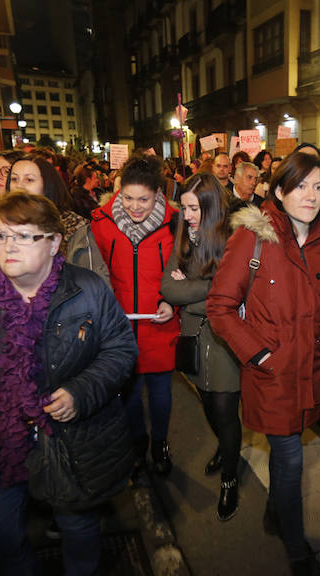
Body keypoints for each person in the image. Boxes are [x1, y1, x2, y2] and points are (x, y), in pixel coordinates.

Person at [0, 192, 137, 576]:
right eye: (1, 236)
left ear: (55, 242)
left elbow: (121, 350)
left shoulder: (87, 290)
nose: (8, 247)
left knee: (78, 526)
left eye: (24, 236)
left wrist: (80, 392)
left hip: (71, 439)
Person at [207, 151, 320, 576]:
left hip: (311, 374)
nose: (310, 196)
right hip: (272, 376)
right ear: (278, 191)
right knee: (291, 458)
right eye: (300, 186)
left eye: (318, 187)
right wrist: (258, 356)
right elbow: (220, 307)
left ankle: (276, 511)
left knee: (288, 455)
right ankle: (296, 549)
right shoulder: (253, 239)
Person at [84, 154, 180, 475]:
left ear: (158, 194)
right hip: (119, 329)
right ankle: (137, 445)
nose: (135, 207)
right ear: (117, 191)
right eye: (127, 198)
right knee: (127, 395)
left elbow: (187, 270)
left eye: (144, 199)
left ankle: (161, 444)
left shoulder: (175, 223)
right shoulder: (100, 223)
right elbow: (92, 273)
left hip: (160, 324)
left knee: (161, 395)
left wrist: (173, 301)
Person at [160, 173, 242, 520]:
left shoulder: (234, 241)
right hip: (193, 340)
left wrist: (193, 288)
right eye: (185, 207)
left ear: (211, 207)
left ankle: (229, 478)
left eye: (195, 208)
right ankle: (225, 450)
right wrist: (203, 287)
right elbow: (168, 289)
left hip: (224, 342)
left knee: (225, 412)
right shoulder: (183, 240)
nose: (188, 215)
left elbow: (227, 292)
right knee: (208, 405)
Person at [8, 155, 86, 248]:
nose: (19, 186)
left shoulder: (74, 227)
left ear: (47, 184)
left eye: (29, 180)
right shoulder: (4, 222)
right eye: (14, 179)